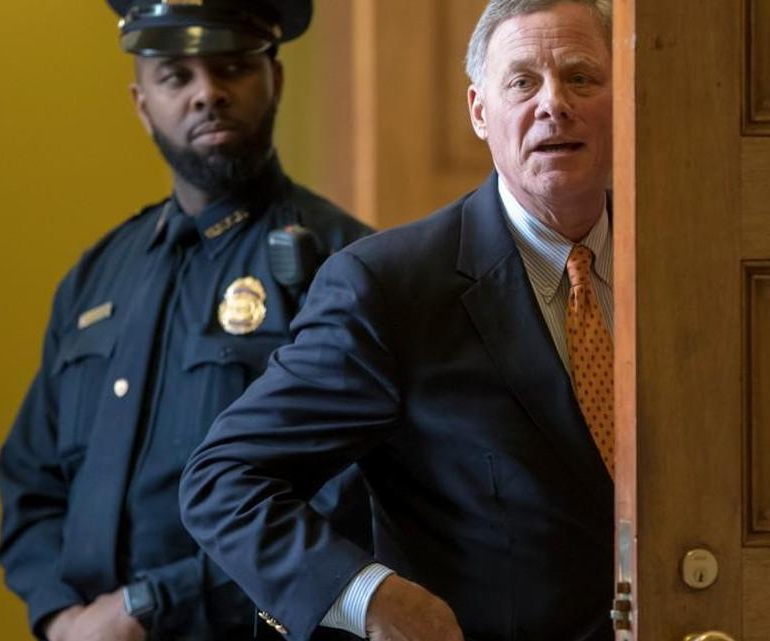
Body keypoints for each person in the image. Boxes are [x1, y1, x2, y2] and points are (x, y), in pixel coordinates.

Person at [179, 1, 615, 639]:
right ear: (478, 112)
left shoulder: (689, 265)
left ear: (623, 98)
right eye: (522, 82)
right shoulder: (389, 286)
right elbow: (224, 481)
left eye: (581, 77)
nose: (554, 103)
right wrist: (369, 599)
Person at [0, 1, 373, 640]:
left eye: (230, 68)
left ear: (274, 79)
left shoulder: (345, 263)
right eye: (177, 76)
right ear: (142, 104)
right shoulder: (97, 276)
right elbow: (31, 479)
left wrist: (149, 607)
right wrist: (61, 616)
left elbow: (346, 498)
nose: (207, 95)